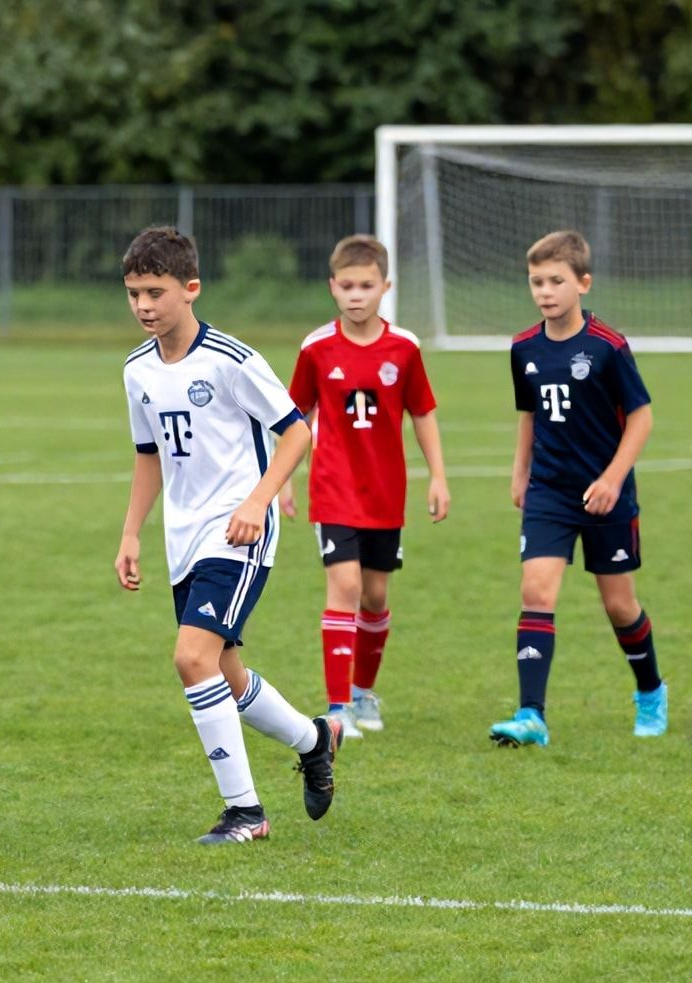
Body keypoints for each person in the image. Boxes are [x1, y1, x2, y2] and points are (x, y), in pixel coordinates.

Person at [112, 226, 341, 845]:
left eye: (155, 292)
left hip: (240, 532)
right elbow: (148, 455)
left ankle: (245, 812)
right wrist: (130, 534)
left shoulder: (232, 361)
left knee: (191, 658)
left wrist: (258, 500)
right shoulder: (137, 371)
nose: (143, 306)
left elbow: (296, 432)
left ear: (191, 289)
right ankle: (315, 739)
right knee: (225, 673)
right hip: (182, 537)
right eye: (133, 293)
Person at [492, 230, 661, 747]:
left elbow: (641, 417)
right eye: (536, 281)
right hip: (549, 491)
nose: (545, 291)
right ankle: (531, 717)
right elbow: (530, 414)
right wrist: (521, 472)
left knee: (619, 605)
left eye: (556, 281)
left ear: (582, 283)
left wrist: (612, 478)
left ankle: (650, 691)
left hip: (606, 496)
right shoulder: (523, 348)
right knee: (536, 591)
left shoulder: (608, 347)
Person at [281, 234, 450, 737]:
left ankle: (362, 692)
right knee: (346, 587)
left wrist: (438, 475)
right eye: (348, 286)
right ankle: (336, 708)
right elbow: (296, 416)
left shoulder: (404, 348)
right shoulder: (316, 348)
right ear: (333, 287)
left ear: (385, 287)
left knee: (375, 596)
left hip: (385, 493)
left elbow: (422, 411)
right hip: (333, 488)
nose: (357, 295)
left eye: (367, 286)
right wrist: (283, 479)